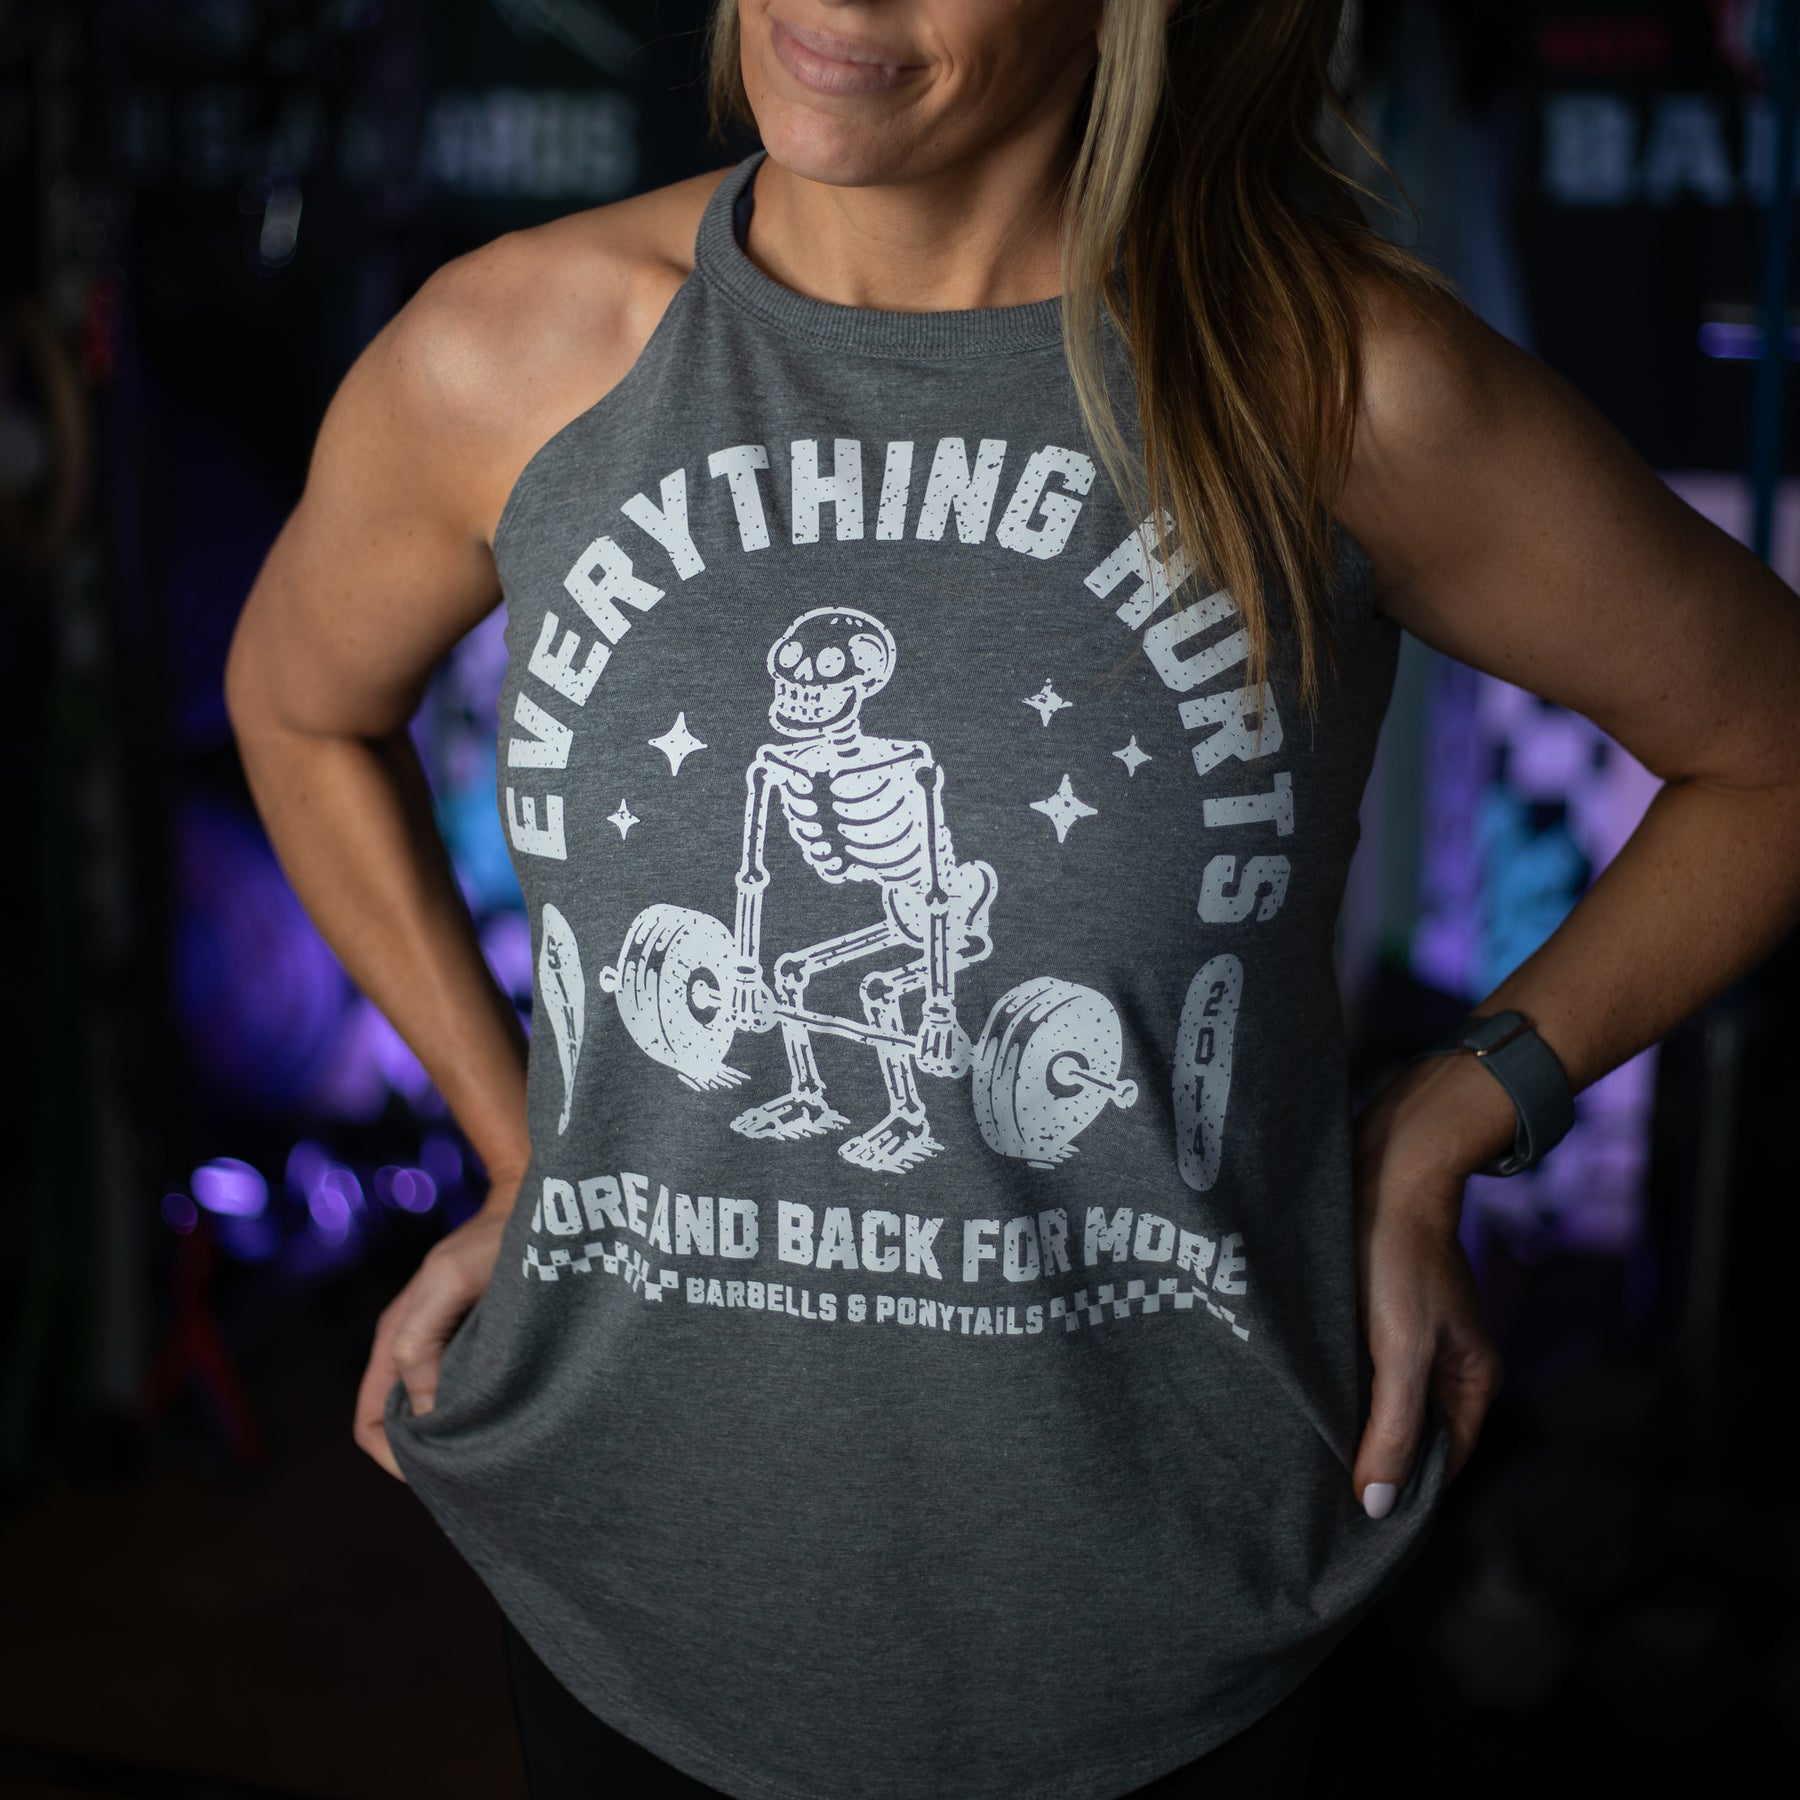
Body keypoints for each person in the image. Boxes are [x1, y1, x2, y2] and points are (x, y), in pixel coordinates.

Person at [224, 3, 1800, 1795]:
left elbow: (1771, 751)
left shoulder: (1325, 383)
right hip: (637, 1595)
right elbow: (298, 704)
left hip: (1171, 1619)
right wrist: (526, 1151)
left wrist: (1458, 1110)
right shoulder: (509, 352)